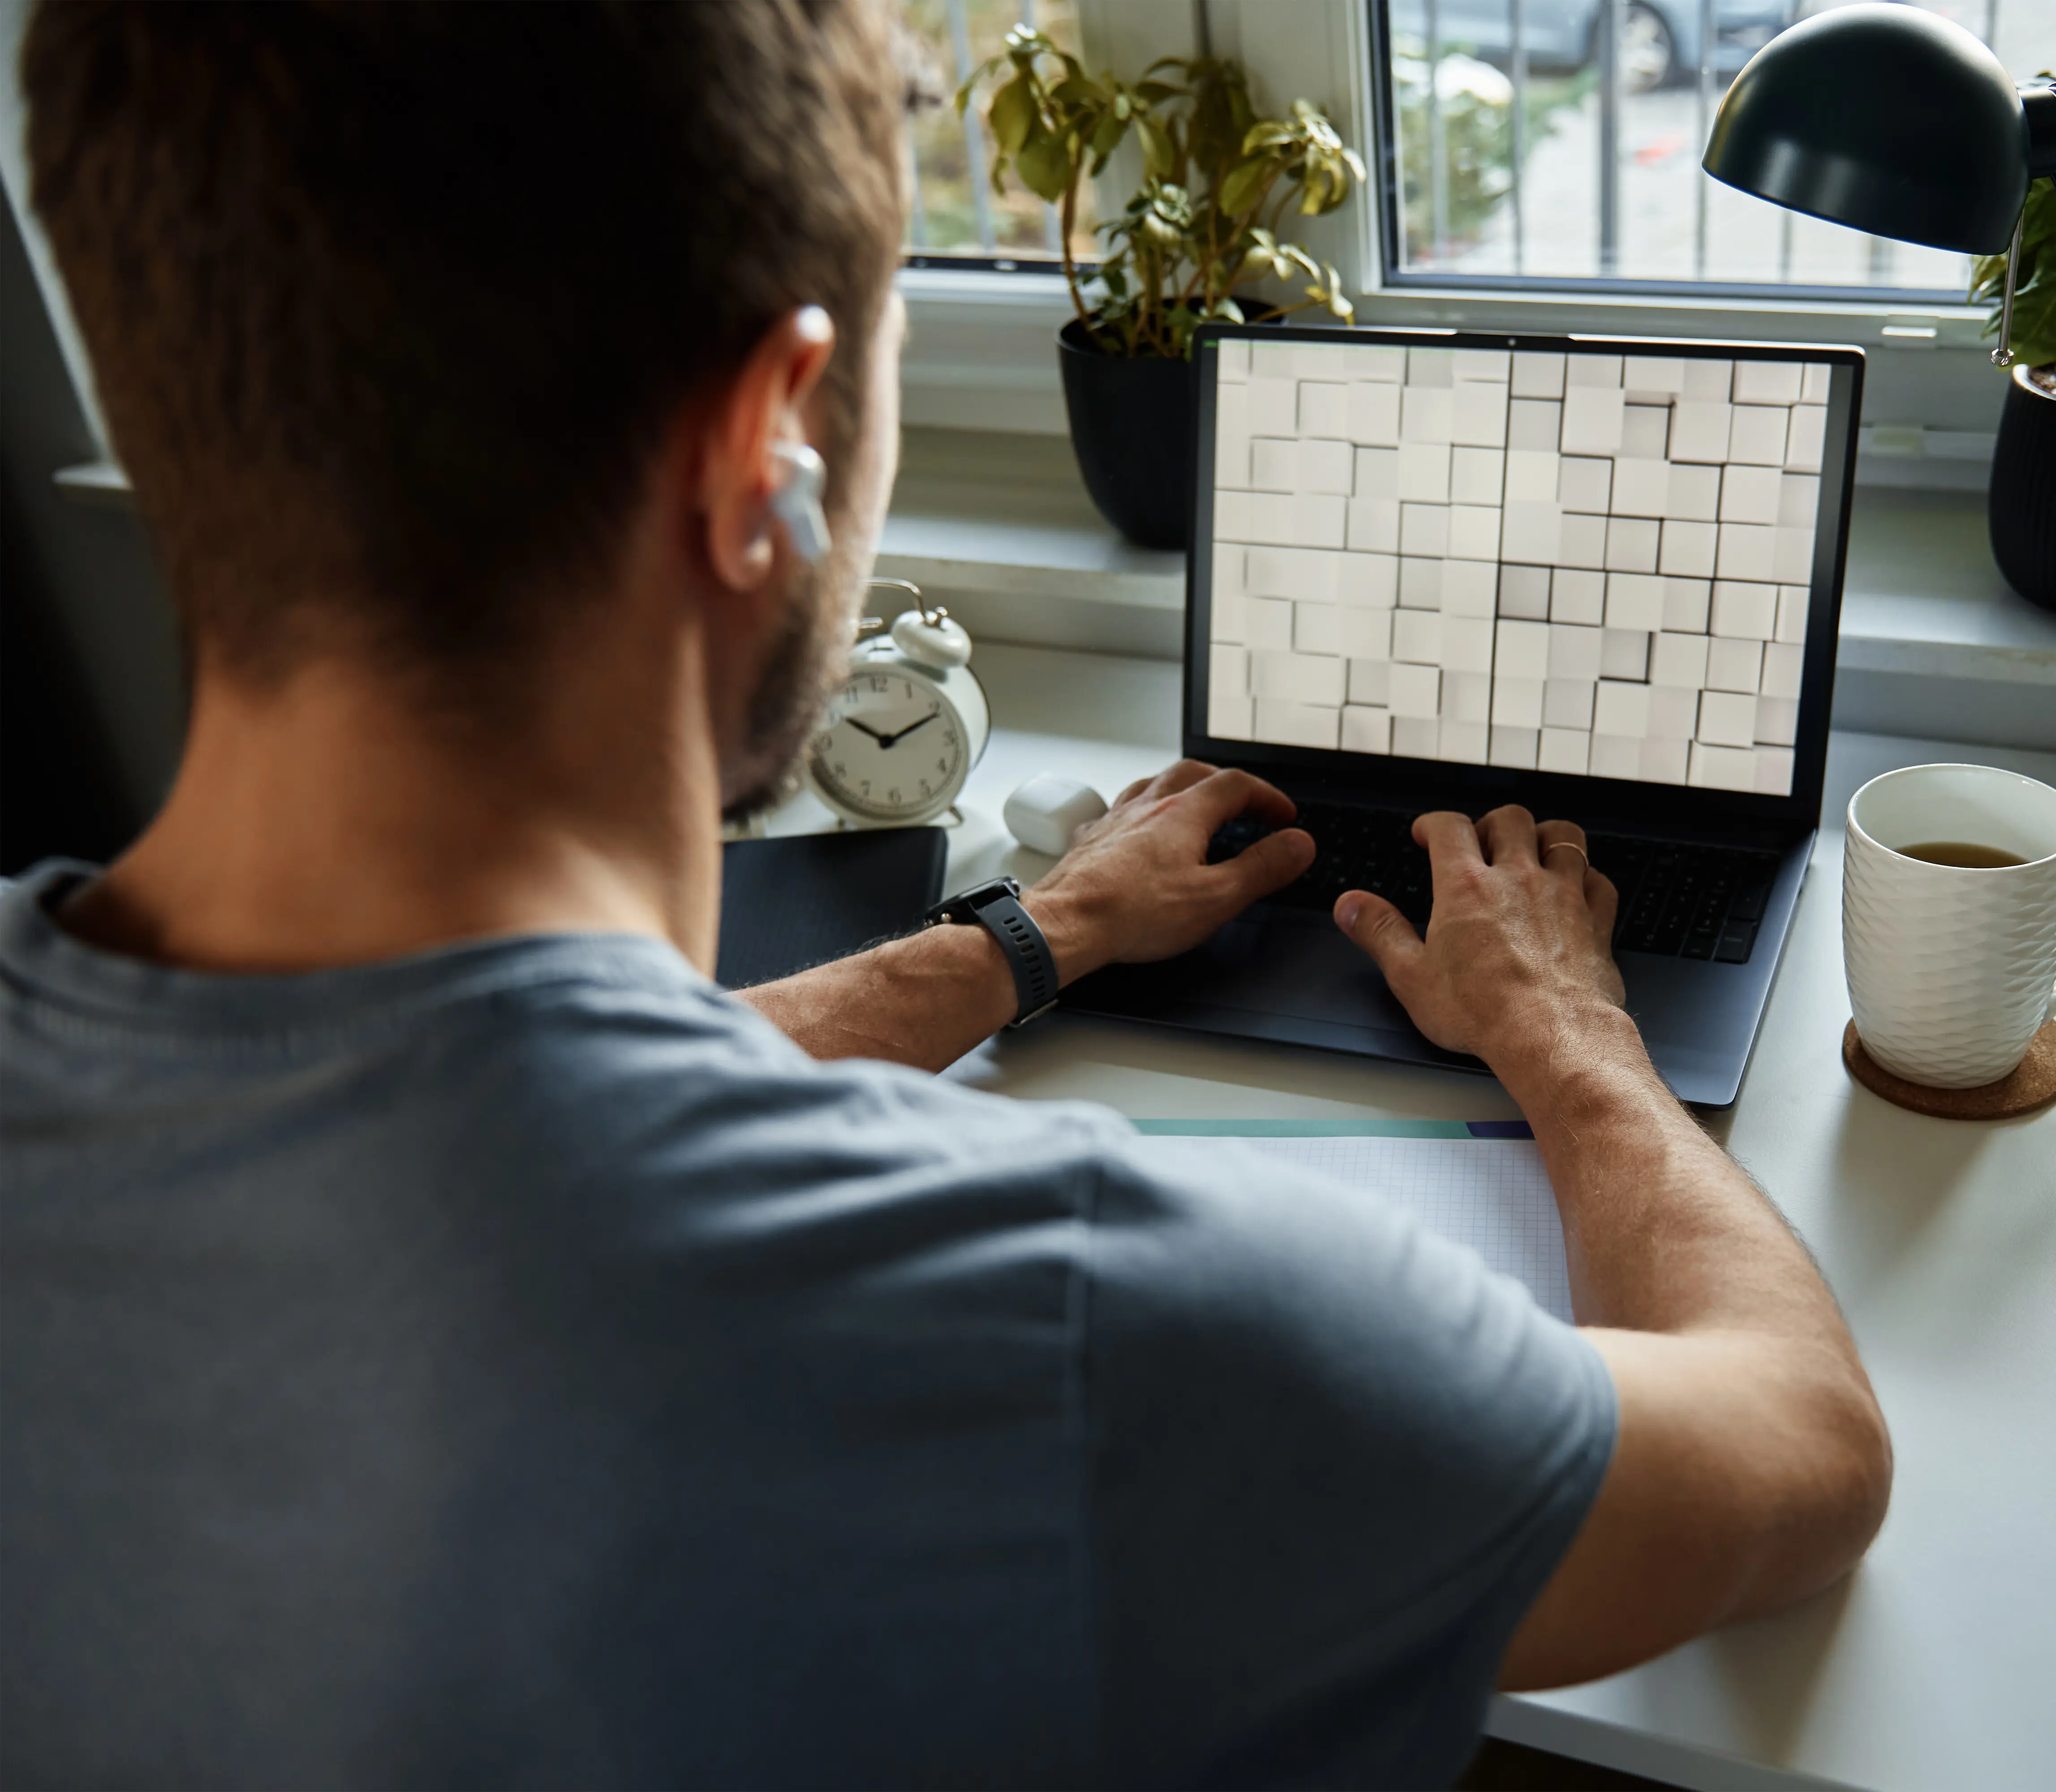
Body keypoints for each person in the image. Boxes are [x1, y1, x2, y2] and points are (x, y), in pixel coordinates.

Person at [0, 4, 1888, 1786]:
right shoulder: (1080, 1336)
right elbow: (1799, 1455)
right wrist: (1566, 1030)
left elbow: (459, 1108)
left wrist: (1032, 934)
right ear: (771, 449)